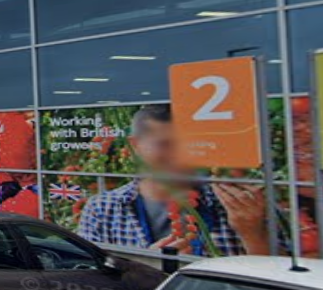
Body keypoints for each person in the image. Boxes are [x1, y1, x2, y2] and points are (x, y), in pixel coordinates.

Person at [77, 104, 271, 256]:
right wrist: (146, 268)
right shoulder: (103, 209)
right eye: (165, 144)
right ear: (135, 145)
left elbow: (280, 274)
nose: (179, 155)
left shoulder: (238, 203)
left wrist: (253, 234)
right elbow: (86, 276)